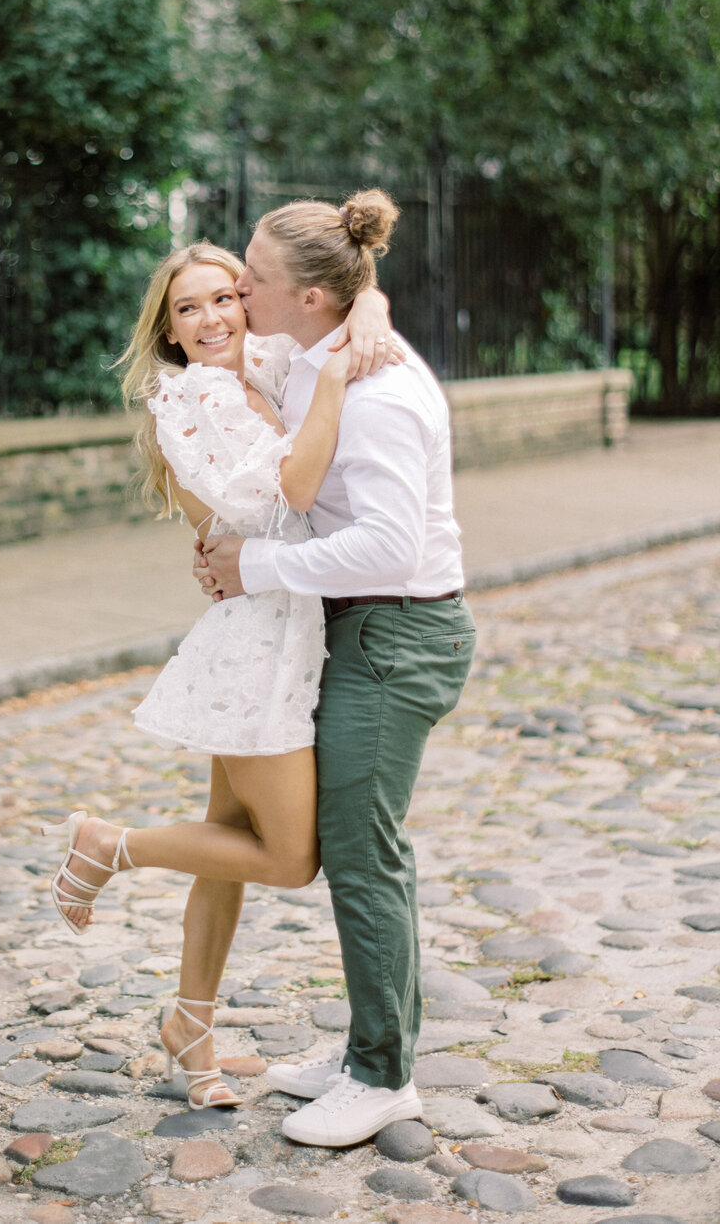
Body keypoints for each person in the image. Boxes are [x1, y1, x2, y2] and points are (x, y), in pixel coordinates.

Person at [41, 237, 396, 1112]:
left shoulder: (263, 363)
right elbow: (298, 488)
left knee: (226, 849)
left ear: (246, 302)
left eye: (223, 299)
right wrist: (342, 384)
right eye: (187, 309)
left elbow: (347, 305)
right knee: (287, 857)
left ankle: (191, 1027)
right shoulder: (191, 403)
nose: (209, 320)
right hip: (255, 650)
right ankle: (109, 846)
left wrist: (371, 309)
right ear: (168, 331)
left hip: (285, 629)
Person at [196, 191, 476, 1148]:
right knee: (361, 852)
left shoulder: (382, 394)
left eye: (257, 276)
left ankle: (383, 1076)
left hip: (397, 636)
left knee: (362, 856)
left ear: (311, 297)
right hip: (356, 633)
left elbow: (389, 550)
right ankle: (368, 1045)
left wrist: (253, 566)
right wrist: (371, 301)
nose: (237, 285)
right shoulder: (318, 354)